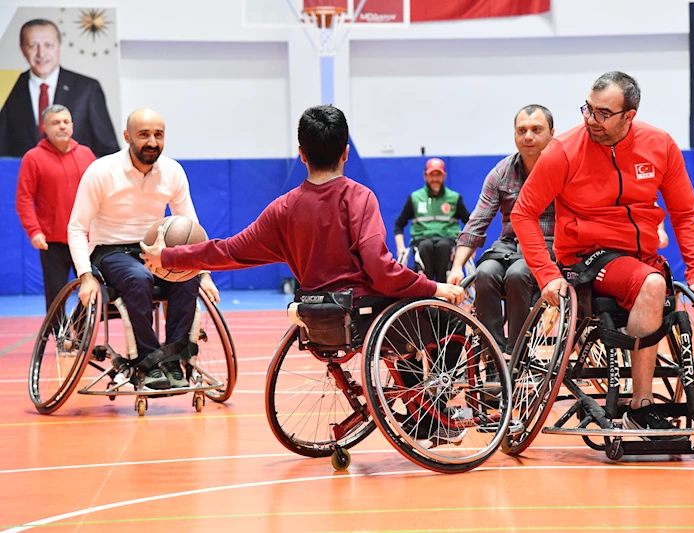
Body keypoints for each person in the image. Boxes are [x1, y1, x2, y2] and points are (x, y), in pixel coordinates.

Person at [140, 105, 465, 444]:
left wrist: (168, 255)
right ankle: (435, 415)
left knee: (402, 314)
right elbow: (382, 271)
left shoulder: (283, 208)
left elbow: (228, 251)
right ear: (346, 153)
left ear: (301, 154)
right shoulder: (359, 198)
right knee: (443, 315)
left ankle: (424, 414)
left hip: (316, 319)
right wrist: (434, 287)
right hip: (364, 316)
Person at [511, 71, 694, 436]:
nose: (592, 120)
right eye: (588, 109)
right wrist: (546, 274)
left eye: (604, 113)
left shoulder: (660, 145)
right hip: (587, 258)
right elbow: (523, 213)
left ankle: (642, 385)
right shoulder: (563, 150)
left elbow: (685, 214)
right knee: (651, 285)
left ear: (629, 116)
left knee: (655, 282)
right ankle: (641, 406)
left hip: (640, 256)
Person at [68, 108, 219, 391]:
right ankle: (148, 362)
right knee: (139, 278)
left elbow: (191, 226)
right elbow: (76, 227)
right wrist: (86, 275)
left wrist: (205, 272)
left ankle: (173, 359)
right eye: (144, 135)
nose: (152, 142)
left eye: (158, 135)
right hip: (109, 250)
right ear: (127, 137)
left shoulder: (172, 171)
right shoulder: (102, 171)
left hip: (153, 250)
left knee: (187, 275)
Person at [447, 104, 556, 356]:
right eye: (522, 130)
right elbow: (476, 223)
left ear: (552, 132)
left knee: (518, 274)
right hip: (509, 246)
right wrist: (456, 267)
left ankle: (516, 354)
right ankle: (494, 356)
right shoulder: (501, 173)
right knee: (485, 273)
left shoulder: (565, 168)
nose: (528, 136)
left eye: (536, 129)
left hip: (547, 245)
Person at [15, 104, 96, 312]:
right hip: (53, 243)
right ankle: (61, 339)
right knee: (56, 296)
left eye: (65, 122)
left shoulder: (86, 154)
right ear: (45, 127)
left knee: (93, 291)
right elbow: (24, 199)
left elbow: (100, 193)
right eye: (55, 122)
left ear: (72, 125)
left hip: (87, 239)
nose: (62, 126)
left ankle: (81, 335)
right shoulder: (33, 158)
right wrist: (34, 231)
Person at [0, 19, 119, 158]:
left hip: (77, 178)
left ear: (60, 47)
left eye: (48, 45)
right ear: (22, 48)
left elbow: (109, 150)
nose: (41, 54)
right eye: (33, 45)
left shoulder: (87, 89)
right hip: (20, 177)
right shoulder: (8, 87)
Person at [393, 157, 471, 282]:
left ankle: (444, 293)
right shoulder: (415, 198)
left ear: (444, 176)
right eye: (431, 175)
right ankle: (426, 291)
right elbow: (399, 224)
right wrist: (400, 248)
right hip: (422, 240)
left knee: (444, 246)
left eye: (438, 174)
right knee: (425, 246)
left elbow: (471, 223)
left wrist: (470, 249)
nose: (435, 179)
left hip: (447, 240)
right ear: (425, 176)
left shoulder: (454, 198)